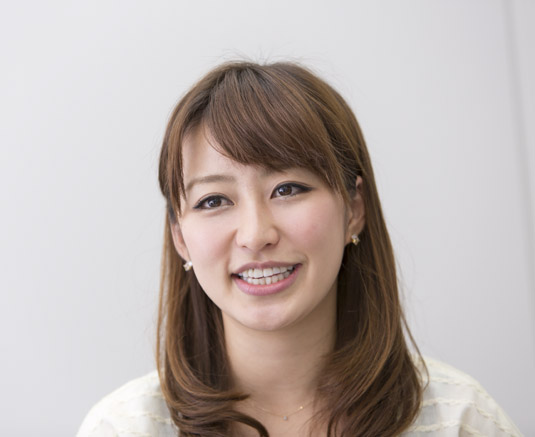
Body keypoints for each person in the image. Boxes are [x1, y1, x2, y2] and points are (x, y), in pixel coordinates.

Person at [77, 61, 522, 436]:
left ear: (354, 208)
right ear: (180, 237)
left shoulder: (461, 421)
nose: (256, 234)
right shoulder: (125, 427)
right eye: (213, 201)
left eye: (288, 188)